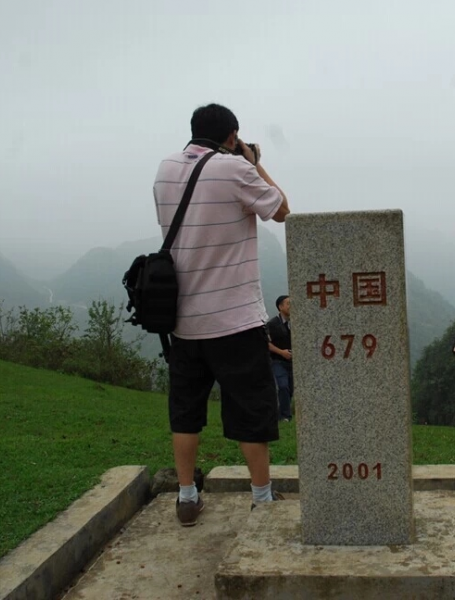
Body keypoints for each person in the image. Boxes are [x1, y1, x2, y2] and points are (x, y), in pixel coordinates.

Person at [153, 103, 290, 526]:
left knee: (186, 412)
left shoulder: (164, 168)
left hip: (183, 323)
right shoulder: (235, 170)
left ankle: (187, 497)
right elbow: (282, 209)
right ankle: (262, 498)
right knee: (250, 411)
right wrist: (251, 163)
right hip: (235, 321)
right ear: (232, 136)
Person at [266, 295, 293, 422]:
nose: (291, 306)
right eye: (288, 303)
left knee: (290, 388)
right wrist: (281, 352)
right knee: (283, 386)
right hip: (278, 361)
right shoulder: (272, 324)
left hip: (293, 363)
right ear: (280, 307)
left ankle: (280, 412)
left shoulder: (297, 322)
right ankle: (285, 416)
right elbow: (266, 343)